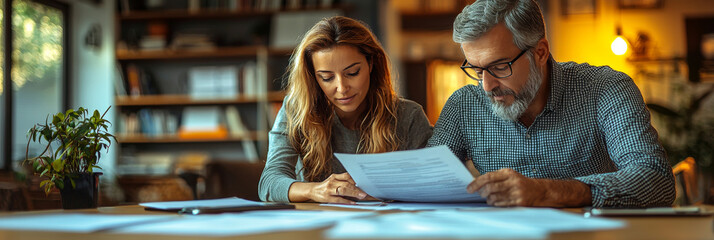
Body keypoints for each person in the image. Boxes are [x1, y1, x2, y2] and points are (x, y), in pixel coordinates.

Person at [427, 0, 675, 207]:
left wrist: (548, 192)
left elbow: (656, 180)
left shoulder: (605, 89)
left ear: (541, 52)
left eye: (499, 67)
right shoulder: (464, 105)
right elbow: (425, 180)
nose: (487, 86)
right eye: (477, 70)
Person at [258, 16, 433, 204]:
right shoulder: (296, 111)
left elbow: (433, 183)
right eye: (326, 78)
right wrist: (315, 190)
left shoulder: (408, 116)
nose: (341, 88)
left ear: (371, 64)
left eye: (352, 73)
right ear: (314, 78)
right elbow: (269, 183)